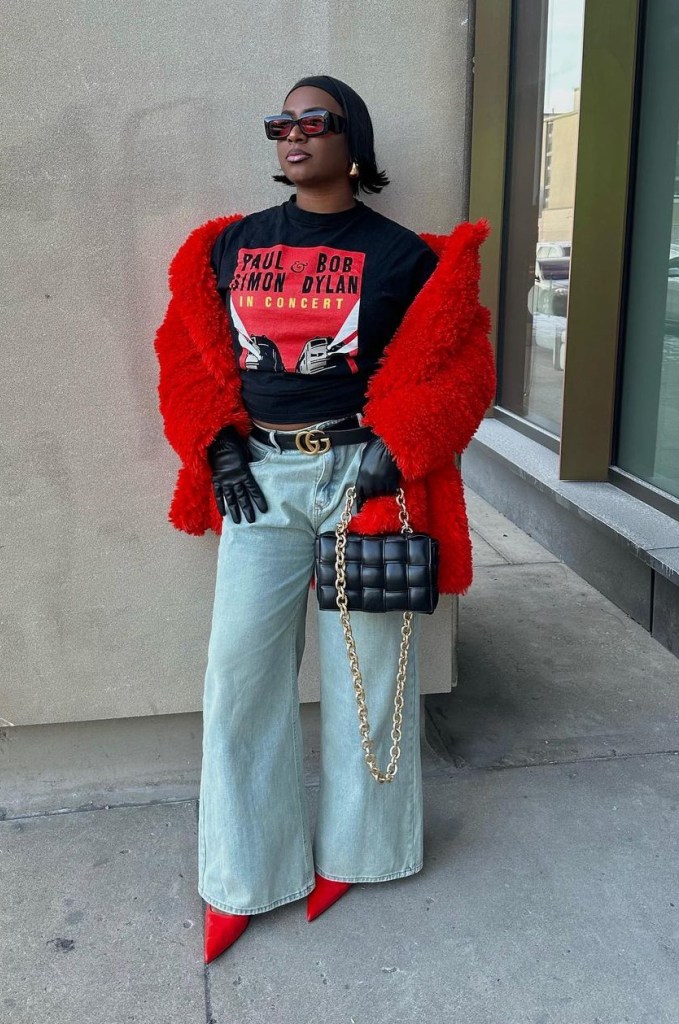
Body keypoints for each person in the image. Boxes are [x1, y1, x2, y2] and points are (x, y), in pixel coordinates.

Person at [153, 74, 496, 963]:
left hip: (360, 480)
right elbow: (186, 354)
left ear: (354, 141)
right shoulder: (229, 247)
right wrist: (212, 442)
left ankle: (361, 850)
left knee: (369, 678)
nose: (293, 135)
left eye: (314, 122)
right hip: (258, 481)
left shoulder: (400, 258)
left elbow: (461, 369)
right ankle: (242, 874)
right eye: (281, 123)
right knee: (239, 679)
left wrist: (398, 442)